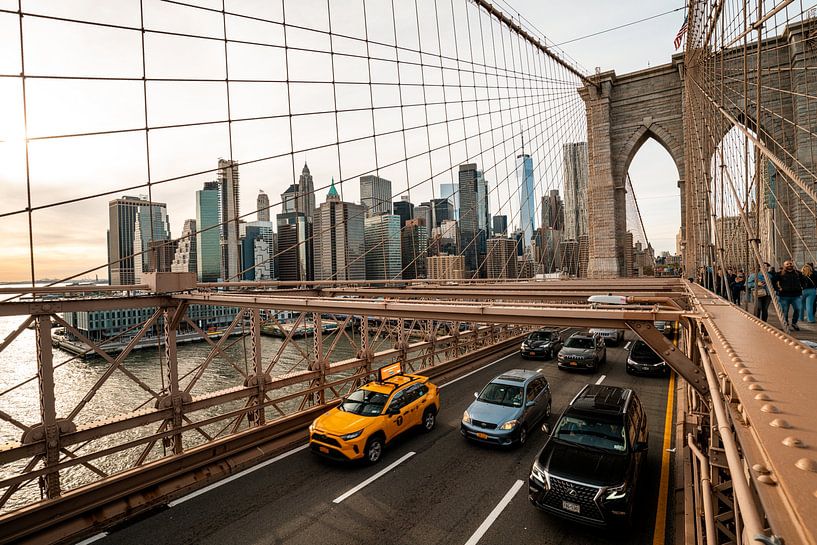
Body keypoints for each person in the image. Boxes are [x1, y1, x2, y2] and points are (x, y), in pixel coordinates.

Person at [775, 260, 803, 330]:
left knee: (798, 309)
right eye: (787, 264)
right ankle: (786, 323)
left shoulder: (798, 273)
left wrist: (802, 287)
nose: (789, 265)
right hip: (784, 295)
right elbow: (773, 282)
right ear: (784, 265)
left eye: (790, 264)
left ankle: (794, 323)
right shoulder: (780, 274)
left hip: (796, 295)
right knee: (785, 311)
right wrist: (778, 289)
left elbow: (804, 281)